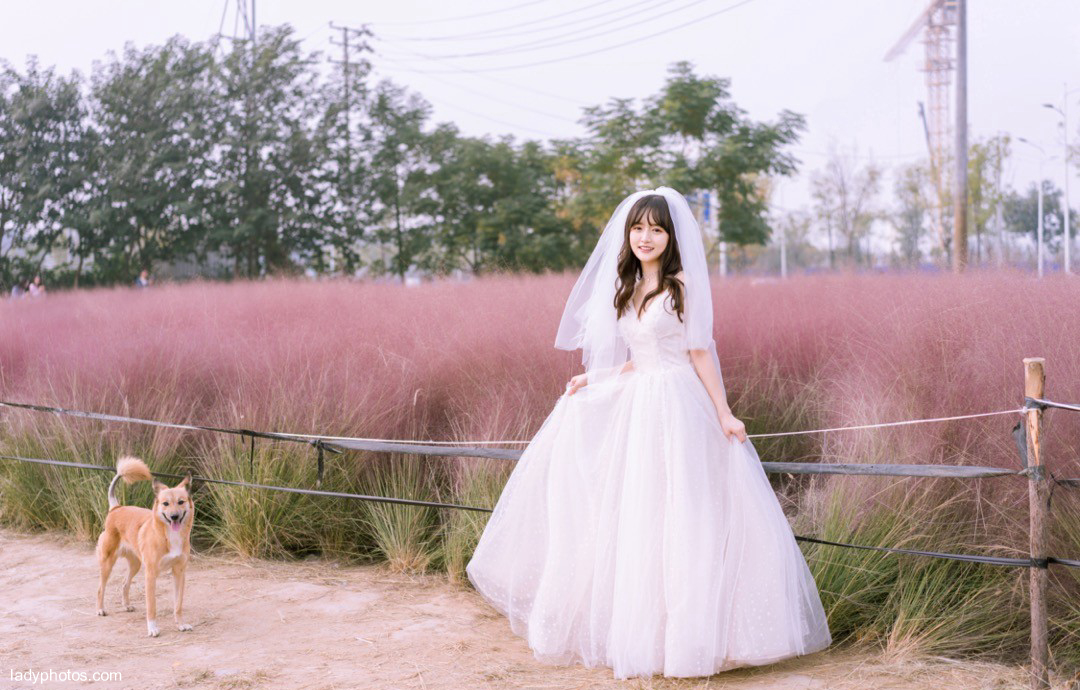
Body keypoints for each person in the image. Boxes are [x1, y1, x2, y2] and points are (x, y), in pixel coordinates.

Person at [465, 187, 831, 680]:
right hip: (641, 407)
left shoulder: (683, 286)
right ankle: (646, 636)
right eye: (638, 228)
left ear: (671, 235)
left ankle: (690, 642)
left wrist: (724, 413)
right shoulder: (629, 286)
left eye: (656, 229)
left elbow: (699, 351)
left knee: (683, 512)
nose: (645, 237)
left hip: (679, 406)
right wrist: (595, 378)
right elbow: (641, 356)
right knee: (642, 514)